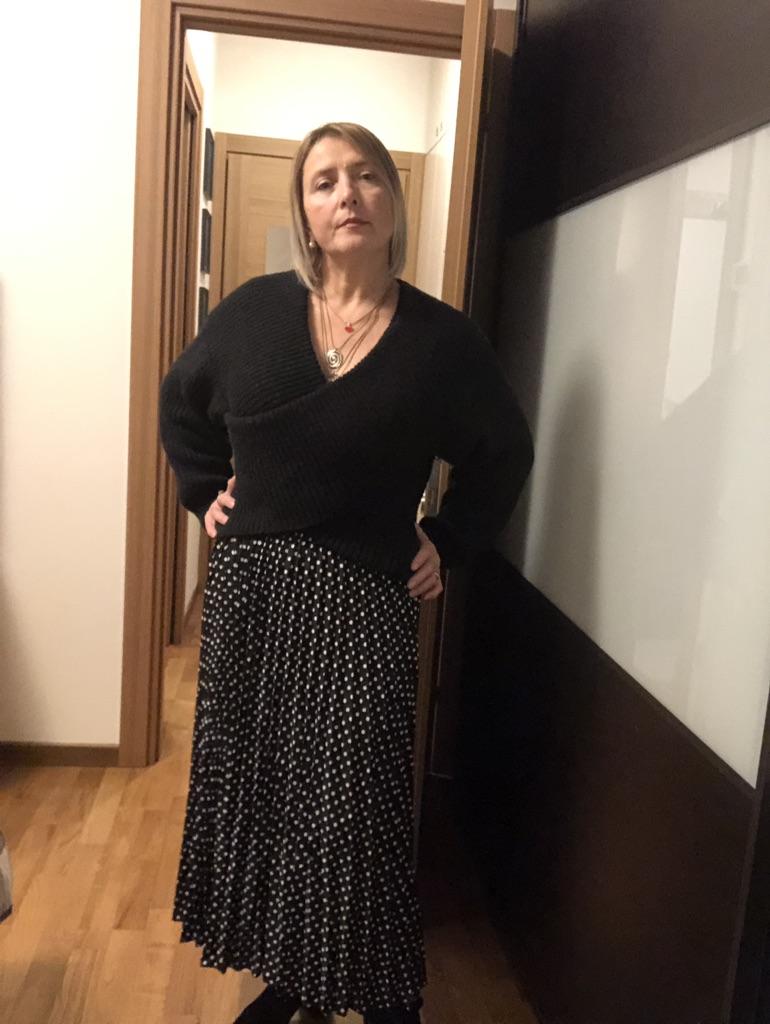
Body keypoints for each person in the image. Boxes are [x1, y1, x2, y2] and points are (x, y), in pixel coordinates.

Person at [159, 121, 533, 1024]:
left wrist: (449, 538)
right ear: (305, 210)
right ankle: (292, 979)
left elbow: (503, 451)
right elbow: (181, 402)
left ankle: (381, 993)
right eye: (324, 181)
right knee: (270, 801)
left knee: (354, 815)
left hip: (364, 606)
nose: (347, 194)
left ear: (393, 202)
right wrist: (205, 492)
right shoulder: (253, 314)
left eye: (366, 176)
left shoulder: (443, 343)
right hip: (253, 605)